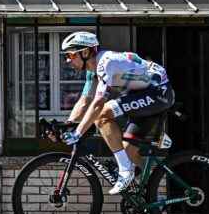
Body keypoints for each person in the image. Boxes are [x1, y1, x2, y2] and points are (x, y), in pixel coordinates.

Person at [60, 31, 175, 194]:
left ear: (85, 52)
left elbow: (98, 103)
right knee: (127, 150)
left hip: (158, 92)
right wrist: (68, 125)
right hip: (141, 94)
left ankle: (125, 172)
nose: (68, 60)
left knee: (102, 116)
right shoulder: (92, 69)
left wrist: (77, 134)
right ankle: (149, 193)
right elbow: (85, 101)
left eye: (71, 55)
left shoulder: (106, 62)